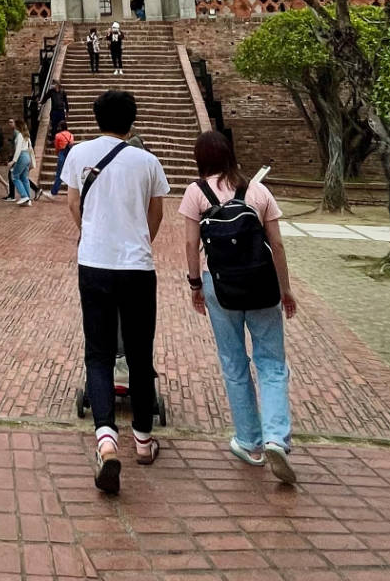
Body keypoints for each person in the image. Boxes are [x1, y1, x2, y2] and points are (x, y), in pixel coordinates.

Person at [60, 89, 169, 495]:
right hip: (137, 267)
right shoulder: (148, 160)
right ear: (132, 120)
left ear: (96, 116)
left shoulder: (78, 154)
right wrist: (139, 241)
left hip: (94, 264)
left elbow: (73, 203)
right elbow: (156, 213)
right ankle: (142, 440)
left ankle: (106, 439)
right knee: (140, 355)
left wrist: (92, 237)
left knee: (100, 352)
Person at [179, 128, 299, 485]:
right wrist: (286, 289)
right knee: (272, 363)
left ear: (201, 159)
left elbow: (189, 244)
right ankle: (278, 436)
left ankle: (250, 442)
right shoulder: (258, 191)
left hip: (220, 284)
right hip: (262, 284)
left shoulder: (195, 192)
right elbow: (276, 245)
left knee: (234, 362)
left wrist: (195, 284)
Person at [8, 117, 34, 206]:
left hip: (22, 156)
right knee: (24, 178)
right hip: (27, 156)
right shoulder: (26, 135)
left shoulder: (19, 135)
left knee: (14, 176)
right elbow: (30, 147)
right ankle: (28, 199)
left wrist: (13, 161)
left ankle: (24, 196)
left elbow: (18, 149)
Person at [46, 125, 73, 199]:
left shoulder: (58, 135)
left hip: (62, 153)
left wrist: (57, 153)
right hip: (70, 155)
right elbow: (71, 145)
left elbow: (57, 146)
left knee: (59, 174)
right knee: (71, 174)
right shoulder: (71, 135)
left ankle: (53, 192)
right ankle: (72, 192)